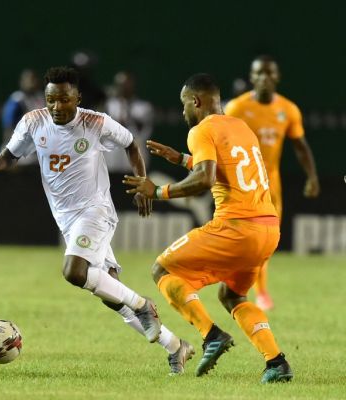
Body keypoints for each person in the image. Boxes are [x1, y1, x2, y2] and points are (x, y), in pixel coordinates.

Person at [0, 66, 194, 375]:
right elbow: (10, 155)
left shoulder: (95, 122)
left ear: (77, 97)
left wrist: (142, 183)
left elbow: (132, 143)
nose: (57, 107)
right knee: (108, 293)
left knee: (74, 271)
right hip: (65, 218)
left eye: (64, 99)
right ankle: (175, 346)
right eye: (51, 99)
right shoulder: (32, 122)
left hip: (95, 211)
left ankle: (144, 306)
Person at [123, 73, 292, 383]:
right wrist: (183, 160)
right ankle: (276, 362)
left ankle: (211, 335)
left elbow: (205, 179)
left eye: (184, 104)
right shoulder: (240, 126)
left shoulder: (202, 129)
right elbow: (230, 166)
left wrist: (157, 191)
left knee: (162, 270)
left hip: (237, 227)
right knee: (232, 296)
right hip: (268, 229)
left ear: (196, 101)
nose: (184, 111)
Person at [225, 55, 320, 310]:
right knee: (246, 240)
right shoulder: (236, 108)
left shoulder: (288, 110)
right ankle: (259, 292)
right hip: (242, 185)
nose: (264, 78)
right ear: (252, 77)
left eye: (269, 73)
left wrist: (311, 176)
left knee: (266, 241)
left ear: (277, 77)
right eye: (259, 73)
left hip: (271, 186)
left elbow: (300, 146)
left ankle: (252, 287)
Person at [104, 71, 154, 172]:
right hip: (112, 155)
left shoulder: (143, 107)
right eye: (121, 84)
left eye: (127, 84)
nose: (124, 87)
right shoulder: (109, 105)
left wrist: (129, 114)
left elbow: (144, 130)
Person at [1, 69, 44, 165]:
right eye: (29, 79)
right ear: (22, 82)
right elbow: (8, 126)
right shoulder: (17, 99)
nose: (32, 82)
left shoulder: (41, 97)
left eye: (34, 79)